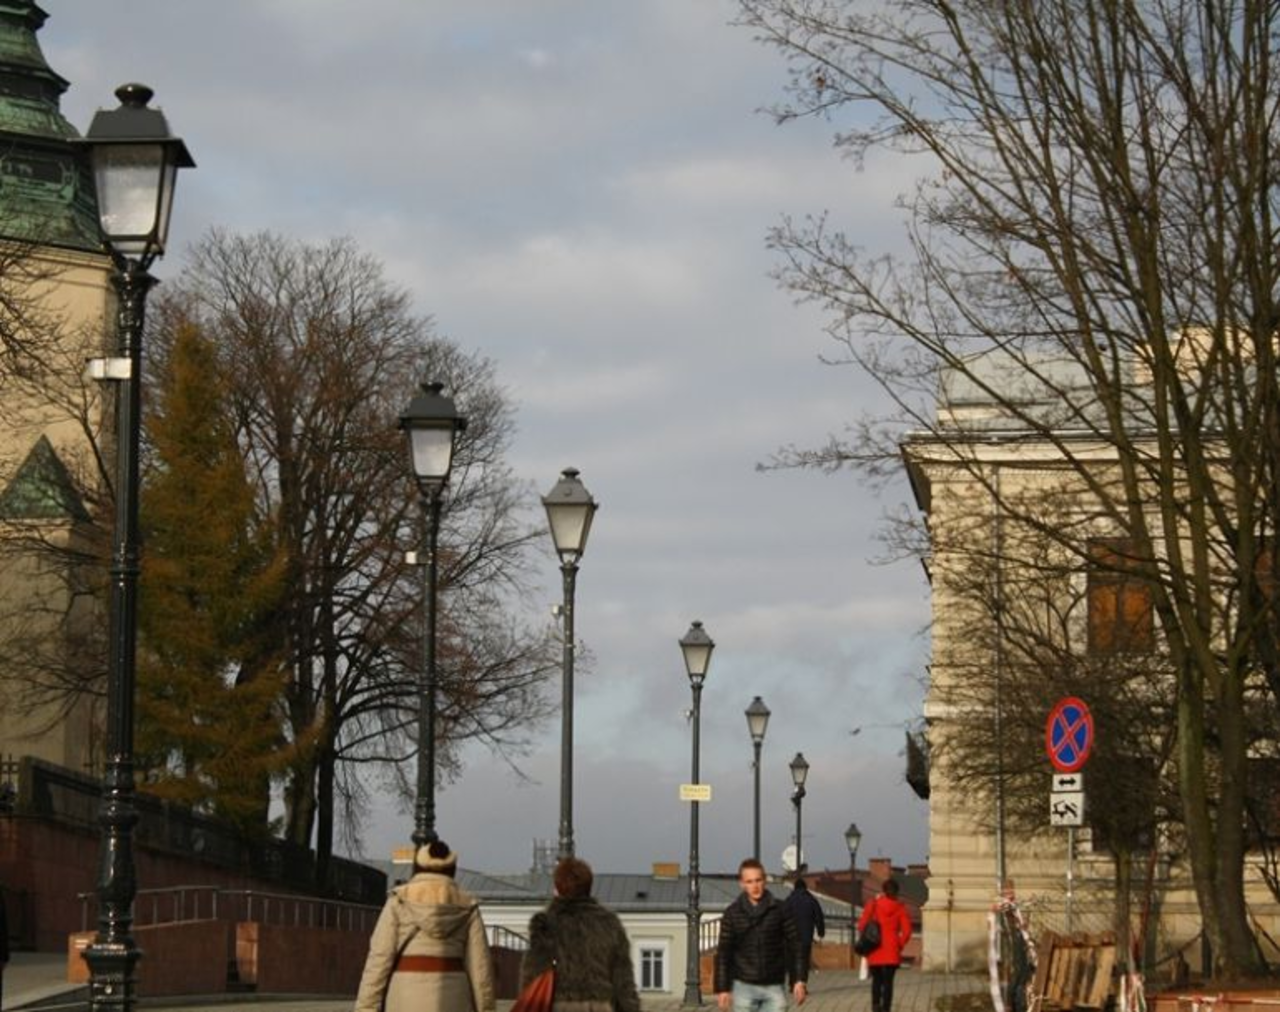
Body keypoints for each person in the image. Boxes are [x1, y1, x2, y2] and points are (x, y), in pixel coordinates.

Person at [354, 839, 495, 1012]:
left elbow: (379, 959)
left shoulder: (399, 900)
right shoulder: (467, 905)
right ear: (452, 869)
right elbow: (480, 968)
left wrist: (367, 1008)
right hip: (454, 998)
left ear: (418, 867)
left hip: (405, 997)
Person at [519, 856, 640, 1012]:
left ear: (557, 888)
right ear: (588, 887)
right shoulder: (609, 924)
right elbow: (623, 983)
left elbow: (533, 977)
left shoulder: (545, 925)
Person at [714, 858, 807, 1012]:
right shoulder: (732, 913)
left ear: (764, 881)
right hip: (743, 986)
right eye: (749, 882)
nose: (755, 886)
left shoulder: (780, 909)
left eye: (758, 880)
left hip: (774, 986)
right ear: (742, 884)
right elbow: (724, 952)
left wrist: (799, 980)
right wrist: (723, 988)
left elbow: (796, 945)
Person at [857, 878, 912, 1012]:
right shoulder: (900, 908)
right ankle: (886, 1008)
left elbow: (861, 925)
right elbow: (907, 931)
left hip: (875, 949)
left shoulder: (874, 904)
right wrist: (899, 944)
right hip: (892, 951)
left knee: (876, 980)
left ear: (884, 890)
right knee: (888, 983)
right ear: (897, 892)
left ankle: (876, 1006)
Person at [783, 873, 825, 977]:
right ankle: (802, 981)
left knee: (792, 960)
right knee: (804, 960)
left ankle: (793, 981)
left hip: (791, 937)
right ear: (805, 888)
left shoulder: (789, 900)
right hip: (806, 936)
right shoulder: (812, 900)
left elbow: (782, 917)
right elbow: (819, 917)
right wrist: (821, 932)